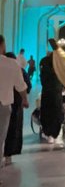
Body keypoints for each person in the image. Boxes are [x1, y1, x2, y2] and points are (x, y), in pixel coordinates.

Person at [0, 36, 29, 175]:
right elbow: (21, 86)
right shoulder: (11, 64)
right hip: (3, 105)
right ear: (2, 46)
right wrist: (25, 99)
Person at [3, 53, 31, 164]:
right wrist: (24, 98)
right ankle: (8, 154)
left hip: (4, 101)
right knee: (13, 128)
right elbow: (27, 87)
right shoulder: (20, 70)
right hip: (16, 104)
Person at [39, 50, 65, 144]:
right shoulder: (59, 65)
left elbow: (42, 77)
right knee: (56, 113)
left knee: (47, 112)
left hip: (47, 92)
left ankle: (48, 133)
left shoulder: (43, 62)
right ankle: (54, 134)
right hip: (56, 93)